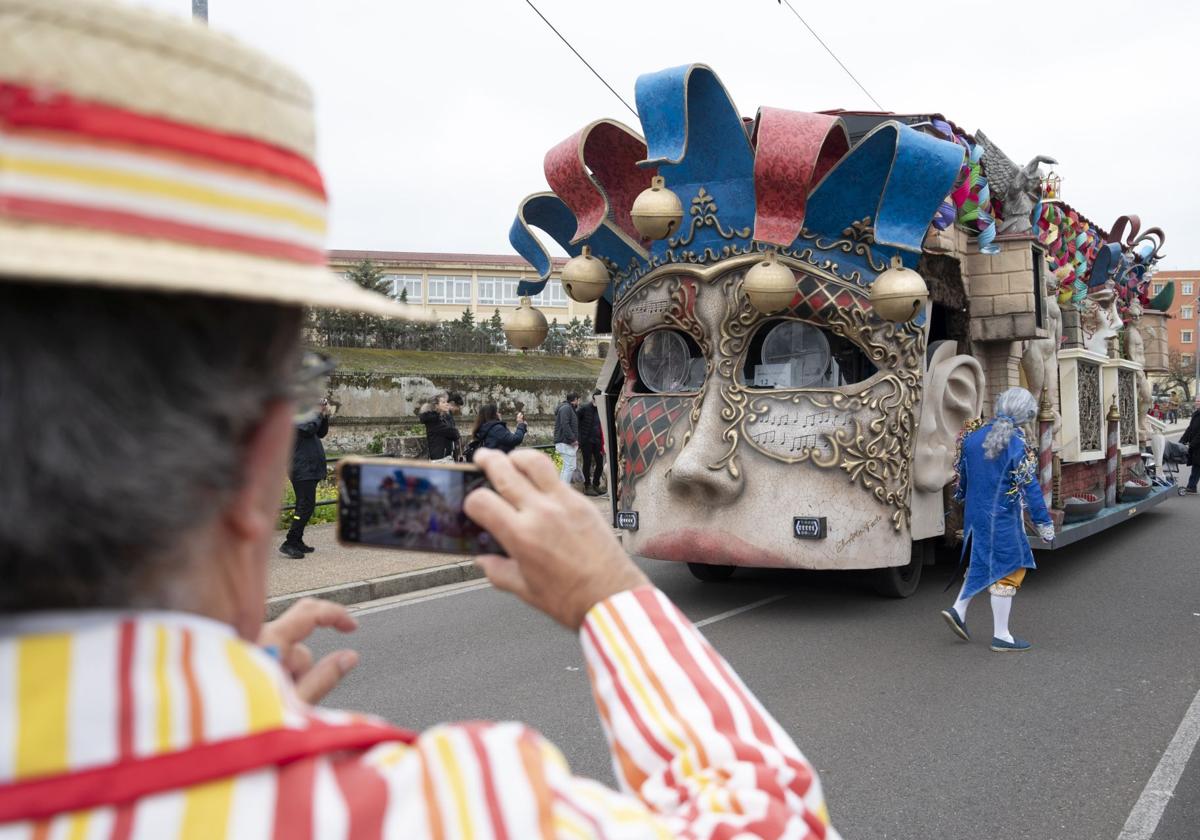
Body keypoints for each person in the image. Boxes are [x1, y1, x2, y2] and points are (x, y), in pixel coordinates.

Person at [0, 3, 839, 837]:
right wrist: (608, 595)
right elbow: (773, 820)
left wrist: (177, 711)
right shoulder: (444, 809)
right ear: (256, 448)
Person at [940, 388, 1056, 652]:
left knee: (981, 561)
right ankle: (1001, 635)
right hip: (1002, 518)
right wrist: (1044, 524)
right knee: (1010, 570)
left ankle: (958, 609)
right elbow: (1031, 488)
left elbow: (962, 483)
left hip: (974, 516)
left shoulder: (971, 439)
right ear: (1024, 415)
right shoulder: (1016, 444)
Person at [280, 397, 330, 558]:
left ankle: (297, 540)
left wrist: (325, 415)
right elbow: (308, 429)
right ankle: (290, 542)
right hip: (301, 468)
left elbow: (320, 432)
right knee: (304, 506)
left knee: (306, 506)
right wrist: (317, 412)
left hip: (309, 468)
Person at [576, 388, 605, 495]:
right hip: (586, 441)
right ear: (593, 399)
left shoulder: (601, 409)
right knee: (587, 464)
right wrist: (579, 437)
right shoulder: (584, 408)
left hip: (597, 441)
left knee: (600, 464)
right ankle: (587, 486)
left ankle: (596, 484)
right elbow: (575, 420)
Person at [418, 391, 460, 462]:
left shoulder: (440, 417)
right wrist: (448, 415)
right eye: (443, 402)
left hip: (446, 457)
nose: (447, 404)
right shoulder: (433, 420)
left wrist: (448, 414)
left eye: (446, 402)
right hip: (440, 459)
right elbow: (454, 434)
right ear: (436, 405)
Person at [554, 391, 581, 484]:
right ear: (575, 400)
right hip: (565, 443)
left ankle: (561, 490)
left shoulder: (568, 408)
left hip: (565, 442)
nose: (579, 403)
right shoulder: (566, 408)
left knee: (567, 467)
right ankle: (563, 492)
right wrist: (573, 439)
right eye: (578, 400)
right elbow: (565, 425)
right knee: (569, 467)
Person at [1180, 397, 1200, 493]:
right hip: (1196, 446)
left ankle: (1191, 487)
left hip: (1197, 445)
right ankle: (1192, 487)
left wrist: (1191, 444)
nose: (1197, 402)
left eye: (1199, 401)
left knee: (1197, 465)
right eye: (1196, 400)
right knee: (1196, 465)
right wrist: (1182, 440)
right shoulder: (1196, 414)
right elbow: (1190, 429)